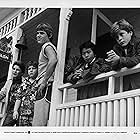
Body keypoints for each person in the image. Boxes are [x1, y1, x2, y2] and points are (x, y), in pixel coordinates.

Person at [32, 23, 57, 126]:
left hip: (44, 86)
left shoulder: (47, 46)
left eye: (42, 33)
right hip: (43, 85)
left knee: (38, 123)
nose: (38, 35)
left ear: (49, 35)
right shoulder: (49, 47)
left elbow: (53, 60)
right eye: (37, 33)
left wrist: (44, 81)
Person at [106, 19, 140, 92]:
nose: (120, 39)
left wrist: (119, 59)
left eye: (121, 34)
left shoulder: (139, 43)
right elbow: (115, 68)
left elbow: (137, 59)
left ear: (130, 33)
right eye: (117, 37)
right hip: (125, 86)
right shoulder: (116, 48)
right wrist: (113, 62)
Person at [13, 61, 38, 126]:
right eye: (29, 69)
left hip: (35, 113)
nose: (31, 70)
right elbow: (18, 98)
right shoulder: (23, 83)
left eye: (33, 68)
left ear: (38, 69)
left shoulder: (39, 82)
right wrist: (15, 110)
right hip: (23, 114)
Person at [0, 61, 25, 126]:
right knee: (5, 128)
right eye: (13, 69)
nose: (14, 71)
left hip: (22, 111)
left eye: (17, 70)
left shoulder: (25, 83)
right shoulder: (9, 82)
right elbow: (3, 93)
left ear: (22, 72)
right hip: (10, 111)